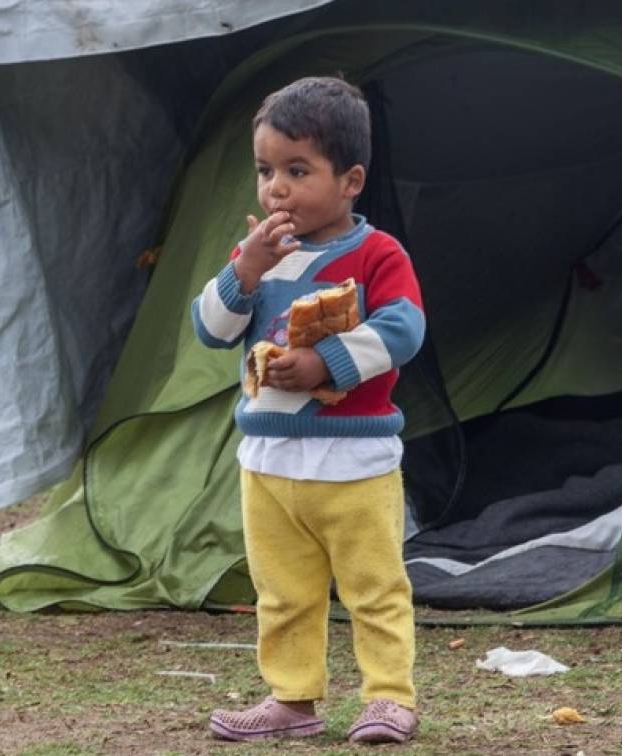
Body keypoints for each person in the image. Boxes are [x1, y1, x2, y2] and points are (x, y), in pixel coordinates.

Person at [190, 76, 426, 745]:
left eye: (298, 170)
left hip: (353, 456)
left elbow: (404, 328)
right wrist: (247, 271)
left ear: (350, 180)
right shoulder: (260, 254)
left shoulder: (377, 253)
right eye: (266, 171)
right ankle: (292, 699)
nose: (277, 189)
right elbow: (210, 328)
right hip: (267, 459)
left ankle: (388, 697)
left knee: (373, 586)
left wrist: (327, 364)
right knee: (283, 590)